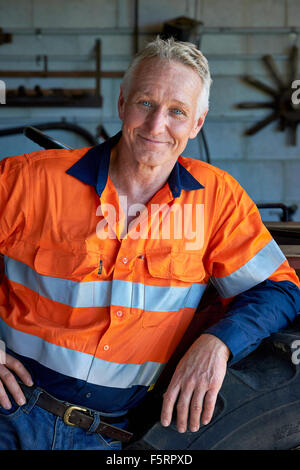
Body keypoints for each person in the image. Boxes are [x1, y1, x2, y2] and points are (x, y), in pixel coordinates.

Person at [0, 36, 299, 451]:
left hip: (106, 436)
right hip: (11, 413)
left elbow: (278, 289)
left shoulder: (216, 201)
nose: (157, 125)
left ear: (197, 123)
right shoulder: (30, 180)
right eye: (145, 103)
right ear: (122, 104)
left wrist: (218, 343)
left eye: (177, 111)